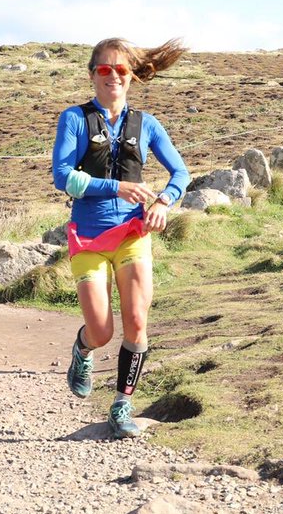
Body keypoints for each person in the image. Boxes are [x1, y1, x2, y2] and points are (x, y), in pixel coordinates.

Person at [51, 37, 189, 439]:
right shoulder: (74, 119)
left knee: (136, 320)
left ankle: (122, 404)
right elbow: (63, 177)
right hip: (88, 235)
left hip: (133, 234)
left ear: (132, 77)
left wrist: (164, 201)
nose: (113, 76)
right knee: (101, 330)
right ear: (92, 75)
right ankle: (82, 349)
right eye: (104, 70)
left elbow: (180, 173)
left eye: (121, 70)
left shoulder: (146, 124)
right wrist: (116, 188)